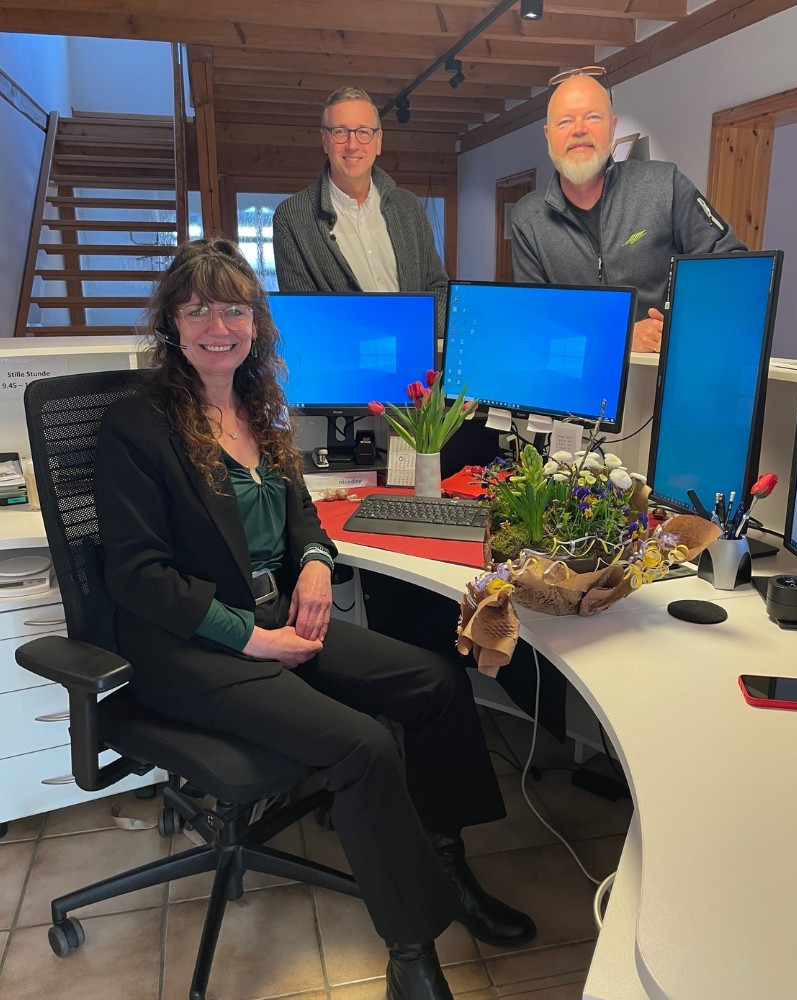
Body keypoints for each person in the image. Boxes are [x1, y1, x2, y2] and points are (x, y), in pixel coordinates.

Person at [94, 238, 534, 1000]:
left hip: (277, 617)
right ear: (171, 321)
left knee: (433, 681)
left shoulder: (257, 406)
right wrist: (251, 636)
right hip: (192, 646)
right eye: (198, 309)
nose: (218, 325)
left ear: (257, 323)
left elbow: (302, 516)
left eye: (235, 308)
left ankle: (448, 867)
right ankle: (411, 952)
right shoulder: (139, 423)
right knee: (362, 747)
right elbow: (137, 577)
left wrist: (319, 565)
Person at [511, 70, 746, 352]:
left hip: (659, 378)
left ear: (612, 127)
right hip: (578, 381)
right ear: (549, 135)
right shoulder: (528, 218)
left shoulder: (664, 185)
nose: (579, 129)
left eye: (593, 117)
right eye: (565, 121)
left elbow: (734, 268)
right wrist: (620, 336)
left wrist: (676, 324)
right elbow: (535, 321)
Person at [272, 85, 448, 333]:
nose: (352, 145)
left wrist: (413, 335)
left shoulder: (408, 207)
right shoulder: (292, 217)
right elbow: (302, 314)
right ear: (325, 140)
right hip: (344, 365)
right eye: (340, 132)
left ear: (378, 141)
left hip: (415, 362)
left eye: (364, 132)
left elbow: (438, 288)